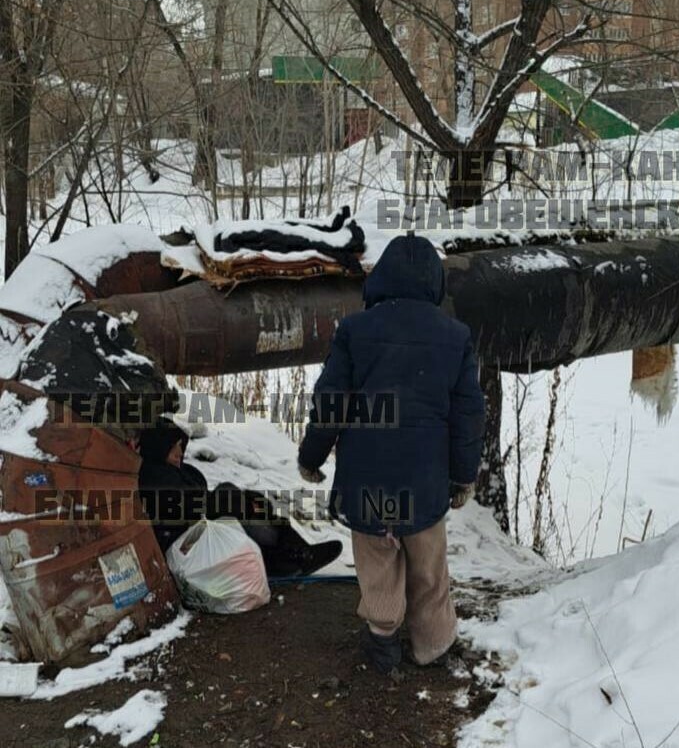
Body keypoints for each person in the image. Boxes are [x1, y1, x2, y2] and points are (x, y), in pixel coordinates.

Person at [297, 234, 486, 674]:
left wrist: (313, 456)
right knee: (429, 566)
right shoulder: (454, 336)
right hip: (425, 479)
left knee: (378, 561)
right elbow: (468, 414)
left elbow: (330, 401)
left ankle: (383, 644)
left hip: (368, 476)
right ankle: (433, 645)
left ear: (381, 278)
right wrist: (462, 476)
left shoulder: (355, 330)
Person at [137, 420, 342, 578]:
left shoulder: (175, 472)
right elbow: (189, 506)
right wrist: (240, 504)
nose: (179, 453)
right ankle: (293, 556)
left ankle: (293, 553)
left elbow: (200, 500)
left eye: (181, 446)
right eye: (174, 446)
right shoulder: (155, 477)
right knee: (237, 506)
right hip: (186, 544)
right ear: (160, 447)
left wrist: (245, 500)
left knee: (238, 498)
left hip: (198, 530)